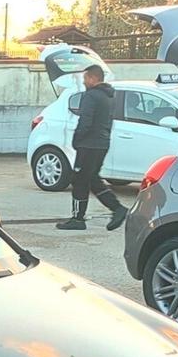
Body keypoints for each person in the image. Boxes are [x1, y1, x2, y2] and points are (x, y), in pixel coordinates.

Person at [56, 66, 128, 232]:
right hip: (101, 143)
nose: (83, 81)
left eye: (86, 78)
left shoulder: (91, 96)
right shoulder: (109, 96)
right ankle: (117, 209)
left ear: (94, 78)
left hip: (88, 145)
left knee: (79, 180)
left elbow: (85, 121)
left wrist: (76, 140)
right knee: (92, 179)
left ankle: (78, 218)